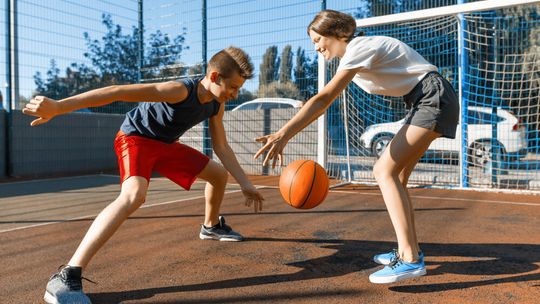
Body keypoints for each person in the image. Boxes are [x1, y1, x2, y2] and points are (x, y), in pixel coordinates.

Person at [23, 46, 265, 303]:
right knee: (134, 195)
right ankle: (67, 274)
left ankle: (211, 226)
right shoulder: (179, 90)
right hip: (135, 138)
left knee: (218, 175)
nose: (236, 94)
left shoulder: (216, 105)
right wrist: (60, 106)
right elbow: (117, 92)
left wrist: (245, 183)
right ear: (215, 77)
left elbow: (222, 147)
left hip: (166, 144)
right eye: (234, 87)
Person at [254, 10, 459, 284]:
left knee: (383, 171)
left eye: (318, 39)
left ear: (338, 34)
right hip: (426, 98)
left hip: (431, 98)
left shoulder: (358, 47)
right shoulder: (356, 53)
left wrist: (283, 134)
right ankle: (409, 251)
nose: (316, 47)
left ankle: (409, 260)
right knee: (395, 177)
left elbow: (324, 97)